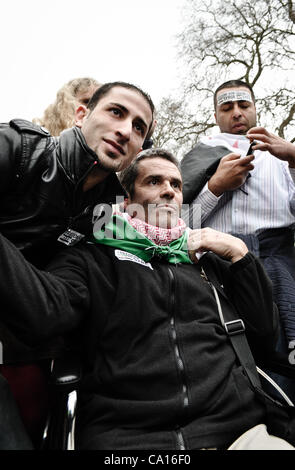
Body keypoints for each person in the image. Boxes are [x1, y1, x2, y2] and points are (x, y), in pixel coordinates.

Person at [0, 148, 293, 450]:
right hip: (128, 439)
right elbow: (44, 312)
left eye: (176, 185)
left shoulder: (210, 261)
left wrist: (240, 256)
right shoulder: (92, 260)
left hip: (239, 432)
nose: (169, 191)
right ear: (126, 202)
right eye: (154, 181)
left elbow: (264, 338)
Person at [0, 81, 154, 448]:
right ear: (81, 114)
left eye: (139, 128)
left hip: (26, 340)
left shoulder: (104, 215)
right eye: (116, 112)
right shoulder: (20, 149)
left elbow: (60, 304)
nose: (125, 130)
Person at [180, 79, 295, 400]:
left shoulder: (281, 158)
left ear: (255, 108)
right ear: (216, 114)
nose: (237, 113)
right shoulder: (197, 157)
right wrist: (214, 187)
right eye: (227, 107)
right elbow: (175, 227)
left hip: (282, 270)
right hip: (219, 278)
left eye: (244, 105)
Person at [33, 77, 101, 136]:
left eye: (99, 103)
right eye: (87, 102)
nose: (94, 107)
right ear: (66, 106)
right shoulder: (37, 137)